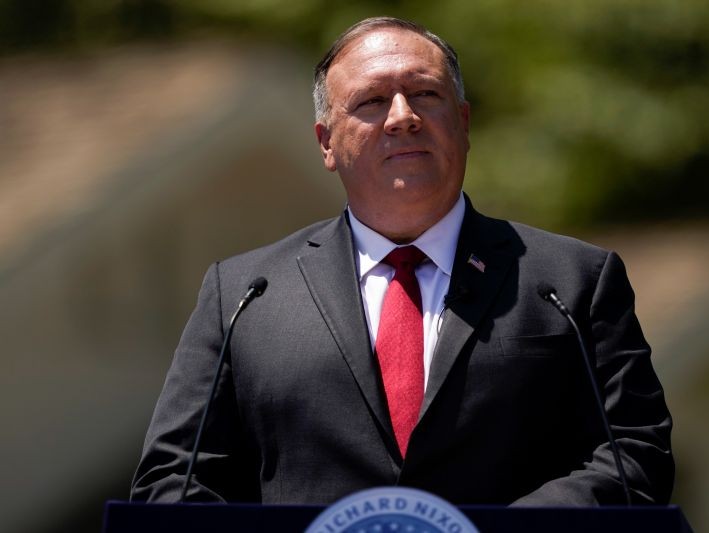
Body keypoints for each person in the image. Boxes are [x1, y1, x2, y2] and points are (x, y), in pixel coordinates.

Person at [131, 16, 674, 506]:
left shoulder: (570, 280)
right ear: (325, 142)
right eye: (371, 101)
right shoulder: (245, 294)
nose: (402, 117)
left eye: (425, 94)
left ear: (463, 121)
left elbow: (635, 456)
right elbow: (172, 484)